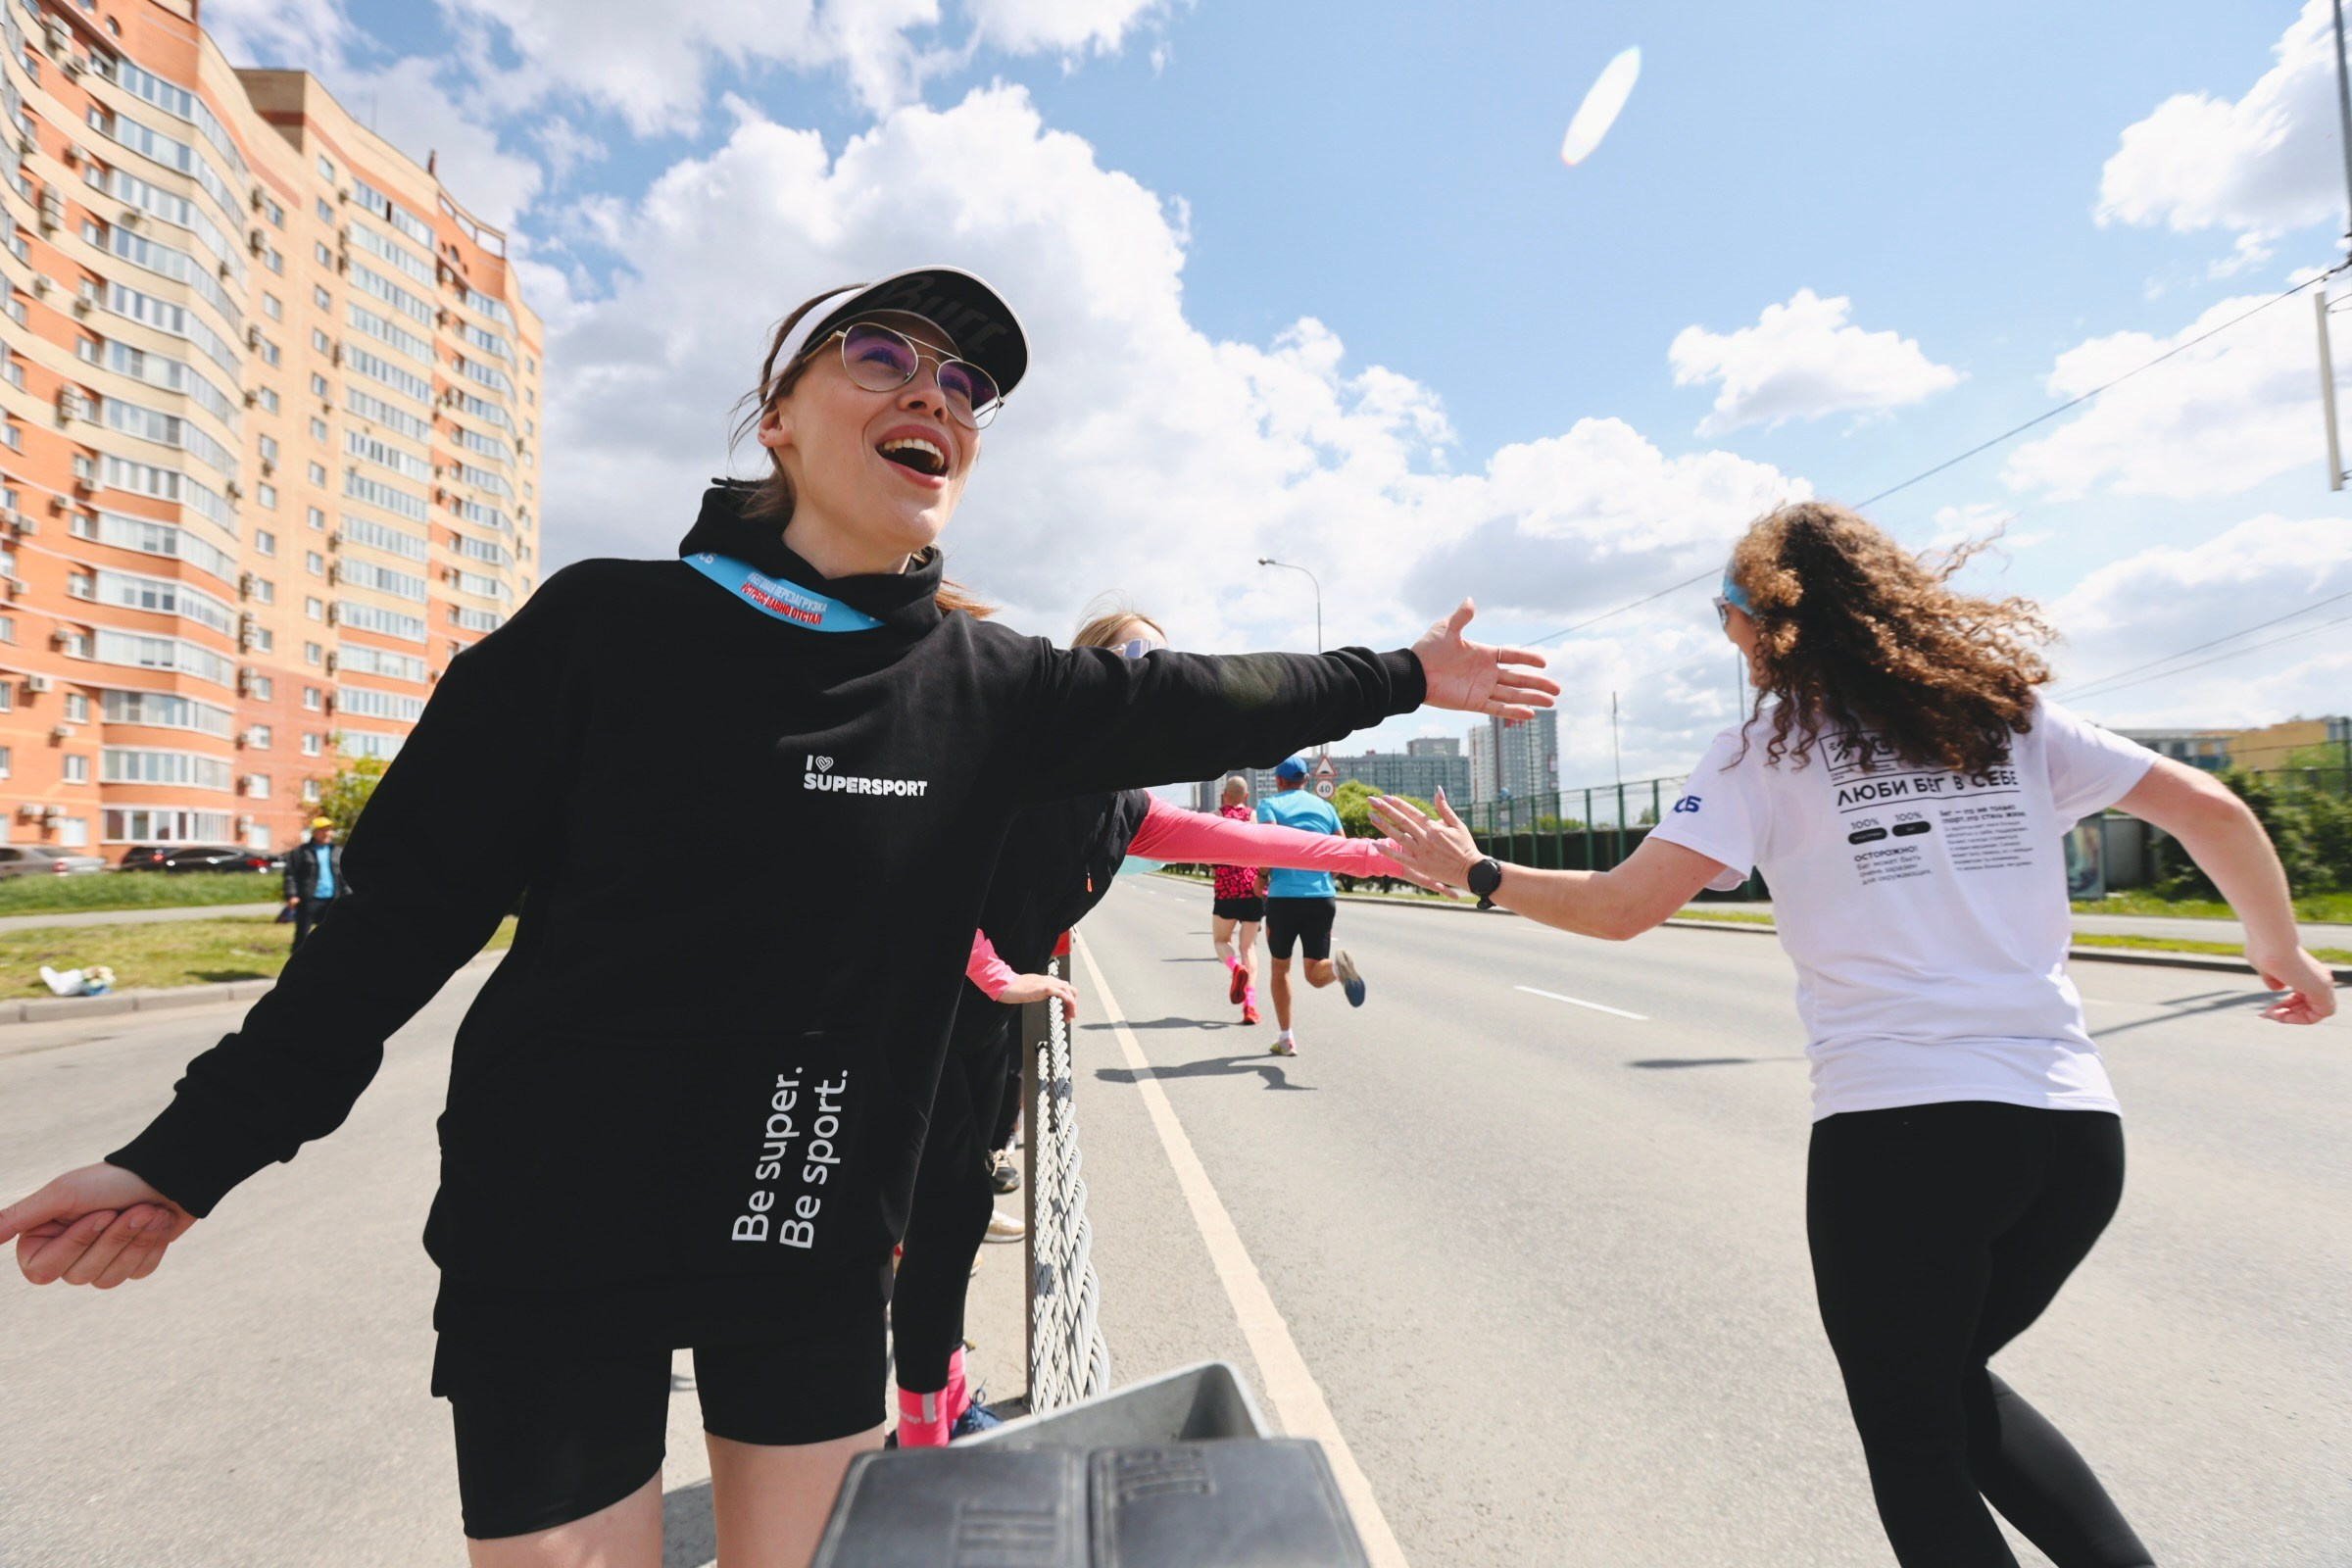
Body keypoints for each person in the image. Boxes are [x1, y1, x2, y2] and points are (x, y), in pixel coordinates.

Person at [0, 265, 1558, 1568]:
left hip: (809, 1207)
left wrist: (1405, 675)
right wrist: (184, 1158)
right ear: (779, 420)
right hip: (561, 1216)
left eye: (964, 387)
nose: (933, 395)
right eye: (879, 357)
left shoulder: (988, 690)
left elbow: (1194, 695)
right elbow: (392, 931)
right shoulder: (600, 633)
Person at [1371, 501, 2336, 1568]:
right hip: (2072, 1139)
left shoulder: (1760, 755)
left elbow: (1620, 907)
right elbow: (2209, 805)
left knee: (1915, 1444)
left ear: (1767, 623)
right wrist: (2279, 946)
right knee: (1947, 1393)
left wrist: (1475, 872)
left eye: (1726, 618)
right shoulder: (2003, 720)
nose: (1728, 641)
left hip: (1902, 1138)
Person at [890, 610, 1424, 1448]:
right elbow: (918, 866)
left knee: (952, 1206)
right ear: (1088, 676)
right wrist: (993, 969)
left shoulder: (1124, 807)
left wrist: (1379, 859)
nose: (1146, 675)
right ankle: (921, 1430)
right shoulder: (1023, 764)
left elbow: (1243, 839)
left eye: (1157, 662)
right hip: (914, 1007)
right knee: (943, 1209)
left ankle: (936, 1395)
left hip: (990, 1021)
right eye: (1127, 658)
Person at [1255, 757, 1365, 1055]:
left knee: (1280, 968)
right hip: (1321, 898)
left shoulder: (1269, 805)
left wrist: (1262, 876)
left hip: (1283, 898)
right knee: (1316, 972)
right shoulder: (1326, 807)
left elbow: (1269, 842)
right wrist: (1327, 874)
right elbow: (1343, 849)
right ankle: (1339, 971)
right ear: (1306, 780)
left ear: (1278, 781)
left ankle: (1286, 1038)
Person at [1208, 775, 1266, 1024]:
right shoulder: (1253, 816)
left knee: (1221, 941)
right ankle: (1250, 1006)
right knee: (1249, 948)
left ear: (1224, 796)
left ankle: (1235, 968)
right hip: (1252, 889)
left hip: (1227, 889)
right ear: (1246, 797)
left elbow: (1209, 857)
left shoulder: (1216, 816)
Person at [282, 817, 342, 949]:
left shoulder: (337, 851)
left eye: (329, 830)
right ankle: (297, 966)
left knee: (332, 935)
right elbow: (290, 874)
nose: (327, 833)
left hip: (333, 900)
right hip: (309, 900)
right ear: (314, 832)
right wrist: (292, 894)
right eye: (323, 830)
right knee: (302, 935)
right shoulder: (301, 852)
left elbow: (344, 876)